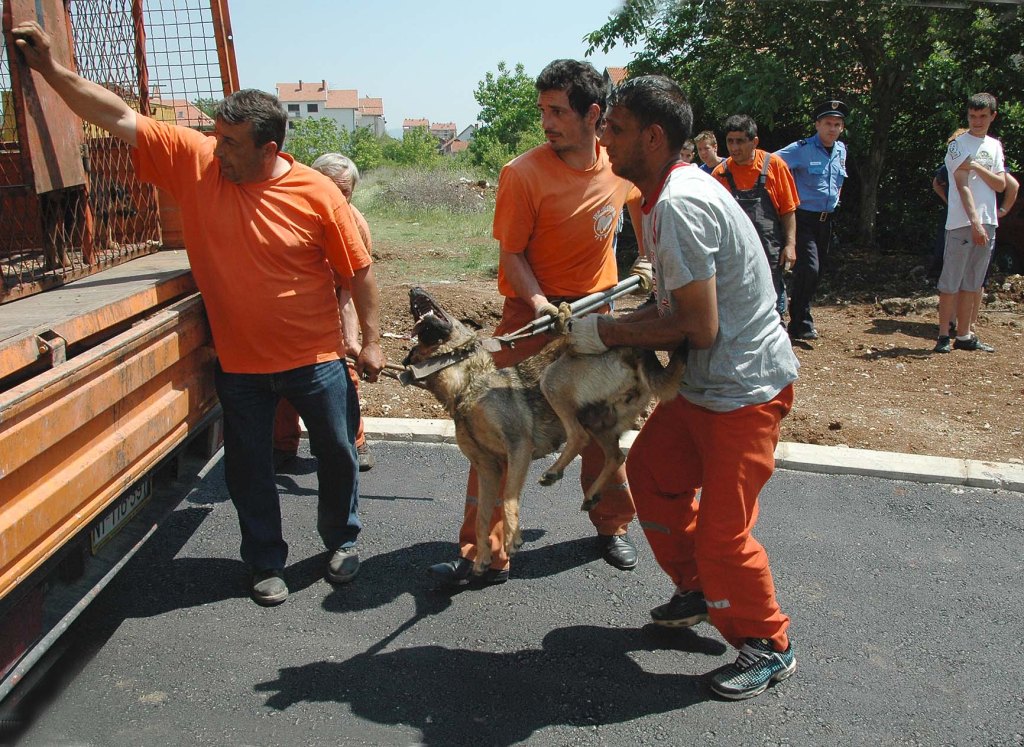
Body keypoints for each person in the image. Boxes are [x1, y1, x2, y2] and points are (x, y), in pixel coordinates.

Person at [12, 21, 385, 608]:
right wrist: (52, 70)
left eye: (230, 142)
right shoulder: (199, 161)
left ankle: (341, 540)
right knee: (249, 468)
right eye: (216, 135)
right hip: (241, 366)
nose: (218, 148)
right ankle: (265, 561)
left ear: (269, 148)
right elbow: (116, 115)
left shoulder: (317, 194)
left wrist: (373, 341)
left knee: (337, 454)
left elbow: (359, 272)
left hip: (315, 360)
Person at [580, 74, 800, 700]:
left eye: (615, 128)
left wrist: (607, 332)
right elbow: (675, 305)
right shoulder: (659, 197)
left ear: (652, 137)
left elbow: (697, 327)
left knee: (724, 535)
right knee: (652, 475)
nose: (603, 137)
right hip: (704, 384)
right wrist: (616, 320)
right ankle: (700, 589)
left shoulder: (678, 203)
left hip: (743, 393)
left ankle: (769, 645)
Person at [427, 59, 645, 587]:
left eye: (558, 111)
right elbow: (512, 254)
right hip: (531, 320)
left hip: (595, 319)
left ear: (593, 115)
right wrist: (542, 303)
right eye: (542, 111)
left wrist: (647, 259)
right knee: (494, 435)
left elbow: (645, 212)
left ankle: (612, 524)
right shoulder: (523, 174)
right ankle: (484, 551)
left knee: (601, 427)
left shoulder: (620, 166)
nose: (546, 122)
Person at [273, 153, 375, 473]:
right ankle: (282, 447)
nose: (336, 199)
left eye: (344, 192)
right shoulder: (288, 215)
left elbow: (349, 289)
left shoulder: (355, 226)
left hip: (331, 308)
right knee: (284, 378)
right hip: (292, 310)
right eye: (329, 188)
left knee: (345, 375)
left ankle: (355, 442)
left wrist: (353, 341)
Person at [934, 92, 1006, 354]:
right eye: (972, 116)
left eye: (982, 116)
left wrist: (976, 166)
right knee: (951, 280)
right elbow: (962, 186)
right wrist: (974, 222)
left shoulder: (995, 146)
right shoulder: (957, 145)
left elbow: (1000, 184)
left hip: (989, 220)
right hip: (962, 222)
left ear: (992, 116)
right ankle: (944, 334)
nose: (977, 121)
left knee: (973, 282)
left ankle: (964, 335)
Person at [712, 114, 799, 321]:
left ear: (755, 141)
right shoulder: (720, 173)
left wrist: (790, 245)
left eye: (740, 141)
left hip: (769, 247)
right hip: (734, 250)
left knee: (771, 295)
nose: (734, 148)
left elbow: (788, 210)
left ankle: (775, 328)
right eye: (730, 141)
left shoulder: (774, 165)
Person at [776, 99, 849, 341]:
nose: (832, 128)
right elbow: (771, 164)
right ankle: (800, 320)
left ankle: (800, 319)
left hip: (826, 220)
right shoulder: (801, 148)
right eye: (828, 123)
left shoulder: (841, 151)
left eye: (837, 124)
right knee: (809, 268)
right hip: (803, 218)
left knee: (816, 273)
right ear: (817, 125)